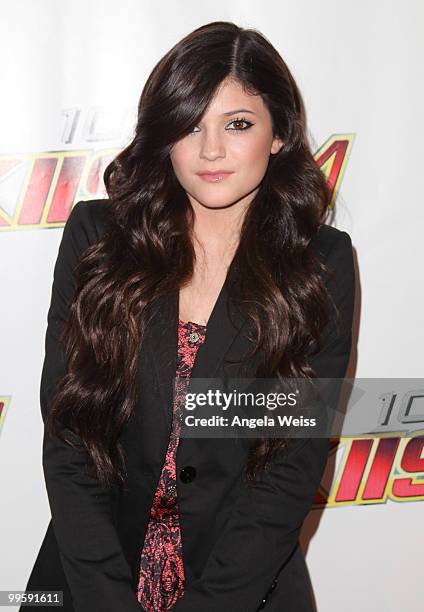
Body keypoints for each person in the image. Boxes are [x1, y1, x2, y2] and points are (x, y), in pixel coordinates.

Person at [23, 20, 356, 612]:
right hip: (91, 582)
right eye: (189, 125)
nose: (210, 151)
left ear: (278, 133)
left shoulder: (319, 265)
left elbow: (289, 471)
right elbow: (70, 437)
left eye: (237, 124)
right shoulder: (99, 239)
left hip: (244, 593)